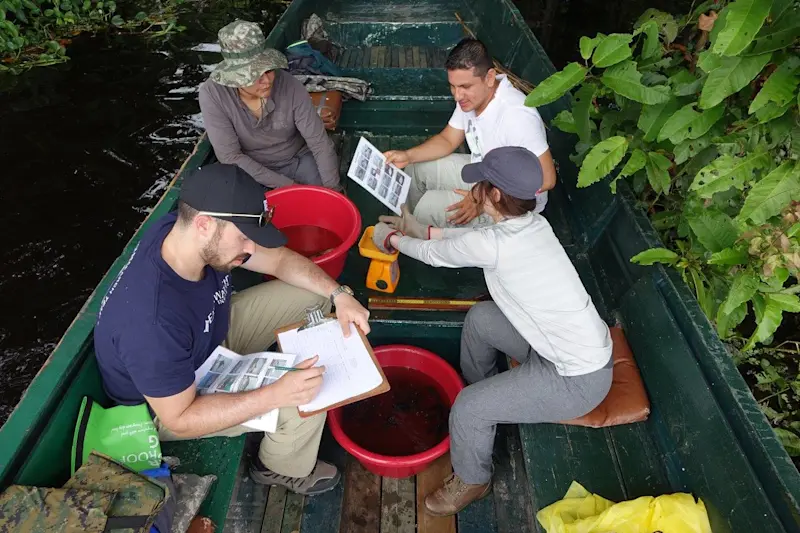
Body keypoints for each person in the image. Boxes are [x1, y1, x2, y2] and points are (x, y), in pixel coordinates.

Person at [94, 162, 369, 495]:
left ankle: (276, 385)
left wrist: (339, 295)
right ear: (204, 225)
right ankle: (277, 467)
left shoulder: (182, 231)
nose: (251, 249)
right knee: (306, 398)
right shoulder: (150, 323)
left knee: (311, 295)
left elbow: (279, 260)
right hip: (167, 406)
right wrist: (275, 394)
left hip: (207, 338)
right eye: (243, 238)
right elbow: (179, 417)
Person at [373, 147, 612, 515]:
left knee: (468, 408)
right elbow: (459, 242)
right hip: (561, 348)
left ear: (495, 195)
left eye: (480, 185)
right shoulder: (533, 225)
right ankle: (484, 405)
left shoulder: (495, 243)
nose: (474, 190)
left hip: (577, 379)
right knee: (482, 319)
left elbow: (438, 255)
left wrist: (391, 241)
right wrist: (416, 230)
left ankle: (473, 479)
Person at [383, 38, 557, 229]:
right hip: (482, 173)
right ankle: (404, 230)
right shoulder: (473, 100)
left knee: (428, 207)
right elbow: (448, 139)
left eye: (465, 87)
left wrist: (482, 199)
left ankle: (416, 233)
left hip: (511, 206)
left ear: (489, 77)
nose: (457, 96)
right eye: (453, 86)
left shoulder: (516, 117)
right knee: (415, 169)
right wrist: (407, 156)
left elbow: (547, 179)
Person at [199, 20, 340, 190]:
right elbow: (230, 157)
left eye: (268, 70)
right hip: (250, 169)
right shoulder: (213, 94)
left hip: (298, 159)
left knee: (326, 198)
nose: (266, 81)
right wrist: (289, 187)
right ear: (234, 78)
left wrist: (333, 191)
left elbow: (319, 143)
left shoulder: (290, 85)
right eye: (253, 75)